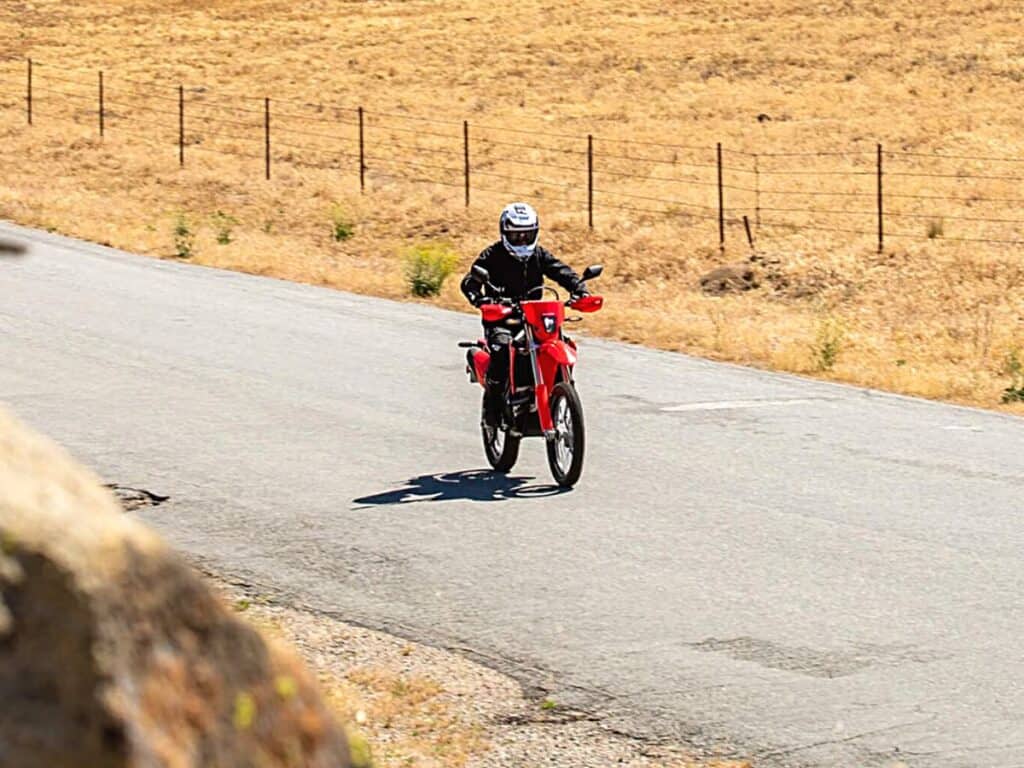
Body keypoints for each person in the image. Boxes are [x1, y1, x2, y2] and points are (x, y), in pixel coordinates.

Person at [460, 202, 589, 427]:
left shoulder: (538, 255)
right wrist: (480, 299)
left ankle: (559, 393)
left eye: (527, 235)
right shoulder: (493, 255)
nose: (522, 240)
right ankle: (493, 411)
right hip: (502, 318)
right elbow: (469, 283)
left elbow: (561, 270)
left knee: (564, 342)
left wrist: (579, 289)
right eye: (516, 236)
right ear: (504, 233)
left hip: (535, 317)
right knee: (501, 351)